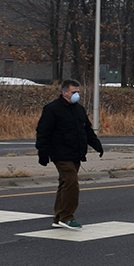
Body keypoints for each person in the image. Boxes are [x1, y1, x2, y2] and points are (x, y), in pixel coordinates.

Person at [35, 79, 103, 230]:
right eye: (74, 92)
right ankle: (67, 217)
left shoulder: (79, 109)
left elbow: (87, 130)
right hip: (60, 153)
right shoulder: (53, 109)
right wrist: (43, 153)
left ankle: (58, 217)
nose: (77, 95)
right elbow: (43, 132)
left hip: (76, 153)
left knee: (65, 184)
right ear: (64, 93)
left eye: (78, 92)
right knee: (71, 183)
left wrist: (97, 145)